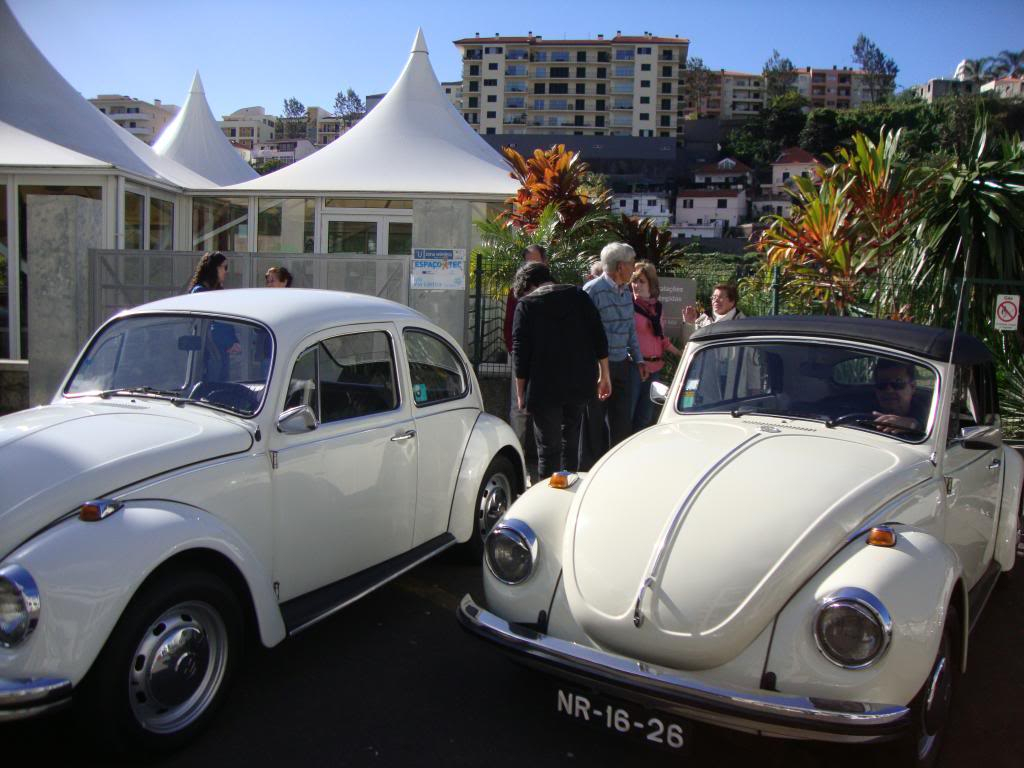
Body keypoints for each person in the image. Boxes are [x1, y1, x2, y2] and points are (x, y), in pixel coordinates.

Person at [511, 262, 610, 478]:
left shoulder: (527, 305)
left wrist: (520, 393)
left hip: (544, 386)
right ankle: (568, 488)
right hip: (579, 381)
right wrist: (605, 375)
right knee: (570, 440)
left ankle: (547, 497)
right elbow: (599, 336)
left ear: (530, 285)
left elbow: (521, 353)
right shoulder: (579, 296)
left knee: (548, 448)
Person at [581, 242, 648, 469]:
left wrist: (639, 359)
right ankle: (588, 470)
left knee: (621, 424)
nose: (634, 269)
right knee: (594, 423)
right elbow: (585, 334)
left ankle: (616, 469)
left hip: (622, 364)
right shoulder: (592, 291)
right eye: (631, 264)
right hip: (597, 368)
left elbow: (630, 329)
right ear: (620, 267)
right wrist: (600, 371)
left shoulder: (625, 292)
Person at [503, 244, 548, 450]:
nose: (531, 266)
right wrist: (514, 351)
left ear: (545, 263)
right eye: (528, 261)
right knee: (518, 408)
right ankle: (517, 455)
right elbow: (509, 323)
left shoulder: (553, 288)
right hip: (521, 356)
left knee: (546, 406)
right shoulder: (515, 291)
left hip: (546, 357)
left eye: (535, 261)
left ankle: (544, 457)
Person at [630, 261, 681, 431]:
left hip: (655, 368)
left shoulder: (657, 308)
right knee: (628, 416)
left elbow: (661, 338)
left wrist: (681, 353)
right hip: (635, 367)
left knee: (646, 417)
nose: (636, 285)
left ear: (651, 284)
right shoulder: (628, 306)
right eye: (634, 281)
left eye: (641, 281)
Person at [186, 251, 239, 378]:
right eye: (224, 267)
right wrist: (228, 342)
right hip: (208, 352)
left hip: (219, 351)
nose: (226, 272)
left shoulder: (216, 292)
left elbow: (226, 320)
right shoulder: (200, 292)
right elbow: (211, 323)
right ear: (213, 268)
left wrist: (233, 340)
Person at [872, 359, 927, 434]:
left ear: (912, 387)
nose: (889, 390)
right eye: (882, 384)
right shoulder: (862, 406)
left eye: (898, 383)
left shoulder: (928, 412)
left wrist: (912, 424)